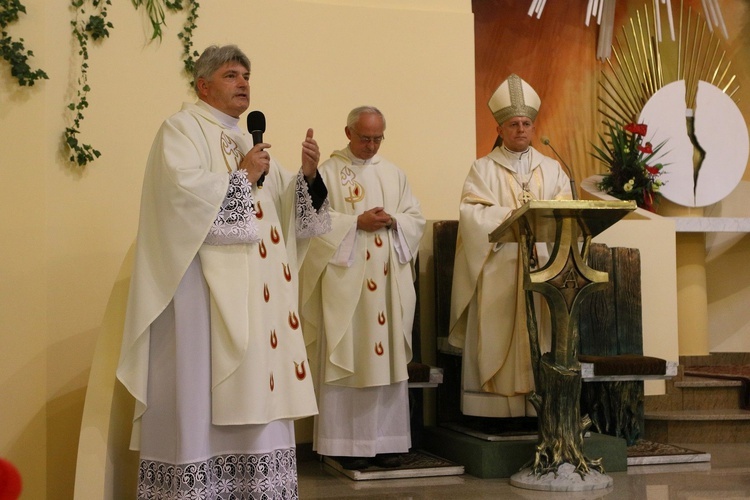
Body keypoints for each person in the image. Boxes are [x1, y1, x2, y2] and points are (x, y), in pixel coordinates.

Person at [116, 44, 330, 499]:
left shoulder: (246, 142)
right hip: (203, 298)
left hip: (261, 302)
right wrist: (240, 179)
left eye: (247, 75)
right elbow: (180, 199)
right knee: (202, 395)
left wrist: (309, 179)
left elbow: (289, 216)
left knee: (259, 397)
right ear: (203, 85)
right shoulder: (181, 130)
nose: (244, 83)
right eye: (232, 75)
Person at [301, 106, 425, 470]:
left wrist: (394, 221)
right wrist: (356, 221)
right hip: (347, 288)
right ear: (348, 132)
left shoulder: (394, 174)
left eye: (378, 138)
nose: (371, 146)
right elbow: (312, 222)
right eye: (365, 138)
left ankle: (388, 442)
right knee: (348, 358)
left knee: (385, 363)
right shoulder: (327, 172)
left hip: (387, 285)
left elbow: (414, 217)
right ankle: (342, 443)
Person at [448, 74, 572, 419]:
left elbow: (565, 214)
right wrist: (516, 218)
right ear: (500, 129)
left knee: (543, 337)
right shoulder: (483, 169)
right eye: (513, 124)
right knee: (497, 334)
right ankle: (496, 413)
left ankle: (539, 412)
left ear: (533, 127)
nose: (521, 129)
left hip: (541, 267)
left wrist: (541, 232)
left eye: (526, 123)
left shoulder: (552, 169)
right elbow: (472, 215)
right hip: (499, 268)